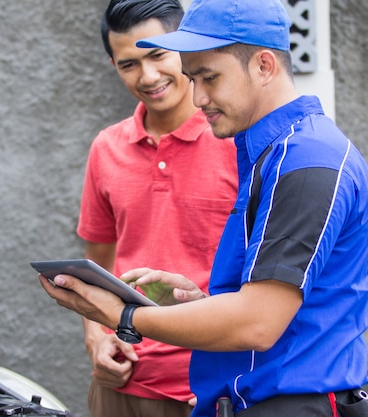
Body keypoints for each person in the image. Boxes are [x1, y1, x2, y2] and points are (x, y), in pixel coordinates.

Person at [42, 0, 368, 416]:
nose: (198, 96)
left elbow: (257, 323)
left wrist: (123, 315)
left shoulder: (307, 162)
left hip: (294, 403)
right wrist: (195, 301)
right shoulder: (271, 152)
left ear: (263, 65)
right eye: (193, 77)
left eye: (209, 77)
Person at [76, 1, 237, 416]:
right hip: (124, 387)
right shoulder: (106, 148)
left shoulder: (237, 142)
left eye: (158, 55)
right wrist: (95, 336)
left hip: (216, 387)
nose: (147, 77)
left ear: (186, 48)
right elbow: (99, 260)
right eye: (128, 64)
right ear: (113, 64)